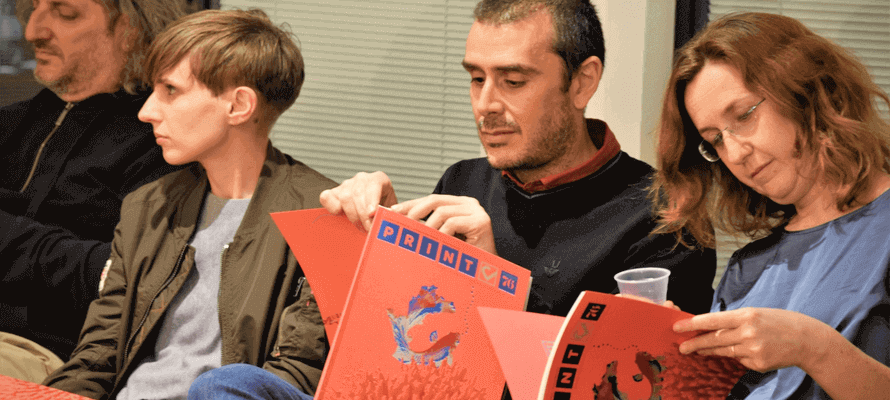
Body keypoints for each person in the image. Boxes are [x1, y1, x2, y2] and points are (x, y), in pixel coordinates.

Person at [320, 0, 717, 319]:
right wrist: (377, 238)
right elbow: (414, 337)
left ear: (582, 82)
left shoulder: (665, 217)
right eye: (477, 79)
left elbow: (615, 375)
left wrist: (493, 279)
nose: (485, 104)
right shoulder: (462, 182)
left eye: (513, 82)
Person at [41, 9, 334, 400]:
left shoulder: (320, 217)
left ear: (239, 105)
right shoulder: (147, 207)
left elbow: (294, 375)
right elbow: (97, 358)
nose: (146, 111)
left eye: (170, 90)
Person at [652, 12, 890, 399]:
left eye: (744, 115)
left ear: (806, 91)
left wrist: (813, 347)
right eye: (715, 140)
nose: (735, 154)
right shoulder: (748, 266)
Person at [0, 0, 185, 379]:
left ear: (130, 29)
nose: (33, 31)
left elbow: (125, 277)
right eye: (33, 8)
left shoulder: (163, 144)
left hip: (54, 353)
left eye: (65, 13)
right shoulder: (12, 121)